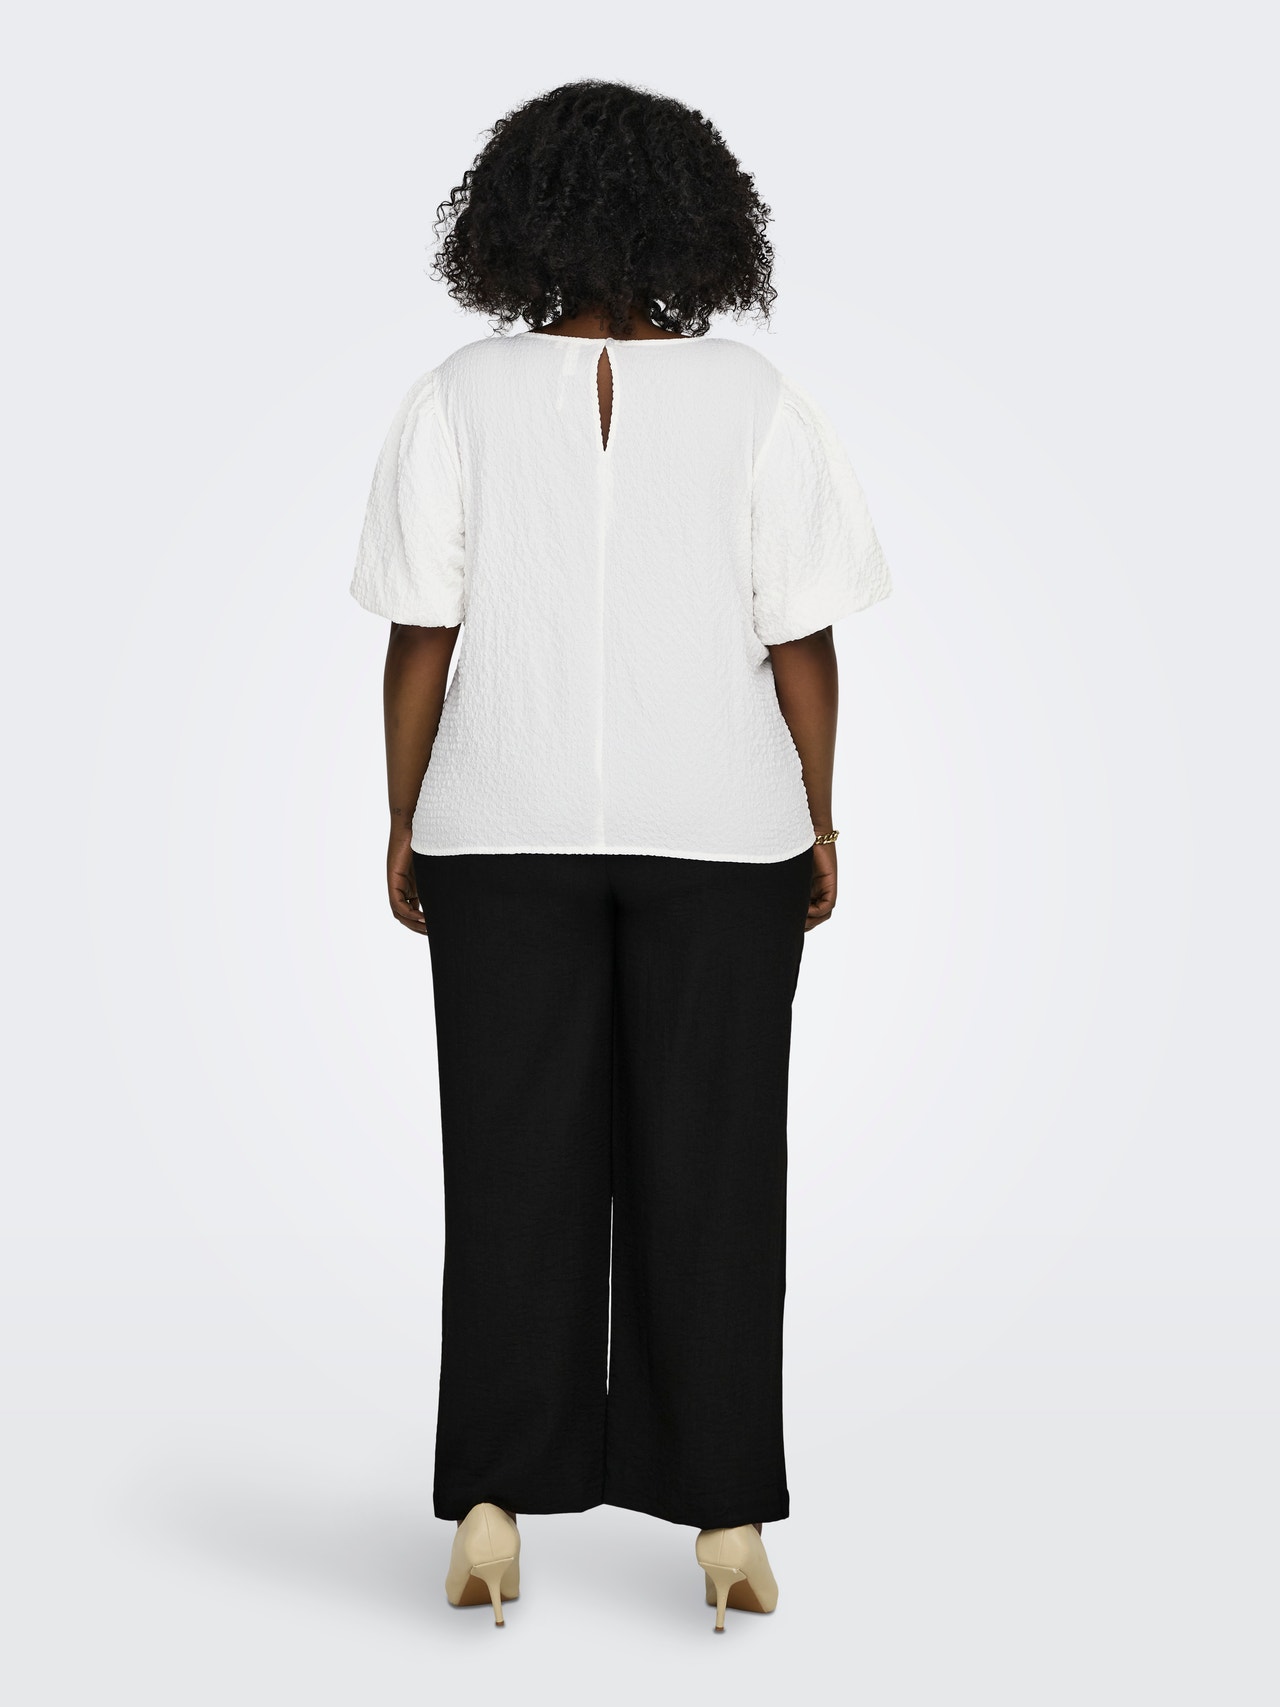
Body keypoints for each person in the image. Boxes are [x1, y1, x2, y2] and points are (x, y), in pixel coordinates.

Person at [349, 78, 892, 1633]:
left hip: (499, 826)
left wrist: (404, 812)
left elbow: (422, 632)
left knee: (509, 1159)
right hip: (720, 830)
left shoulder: (458, 395)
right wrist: (821, 812)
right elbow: (801, 637)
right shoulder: (753, 399)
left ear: (514, 220)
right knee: (714, 1162)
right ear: (698, 221)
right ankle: (724, 1522)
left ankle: (493, 1509)